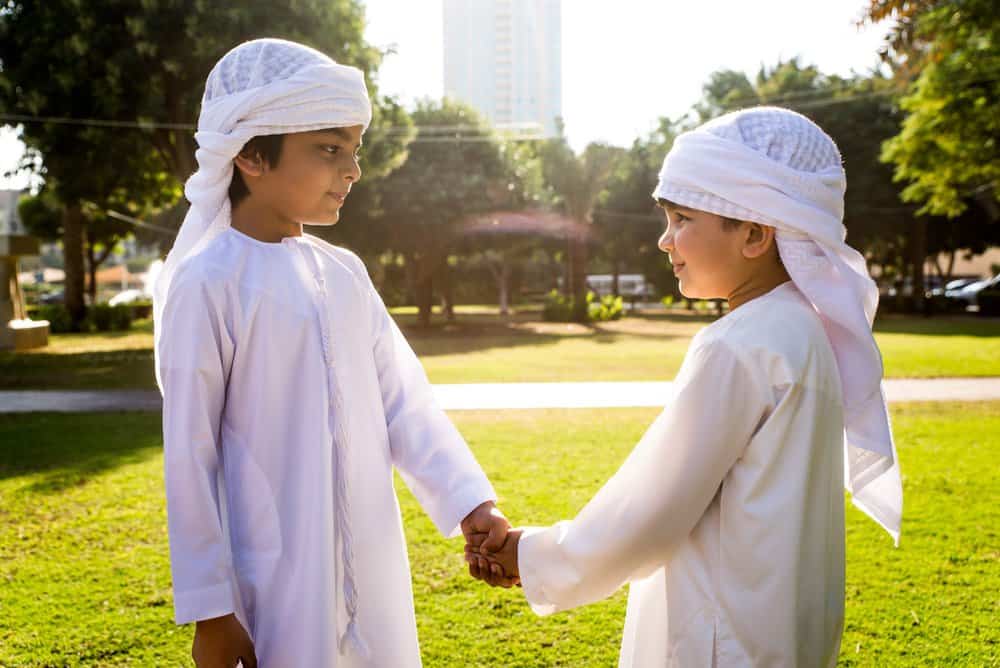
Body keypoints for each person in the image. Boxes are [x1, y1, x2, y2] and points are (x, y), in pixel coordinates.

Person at [467, 106, 902, 667]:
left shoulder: (739, 346)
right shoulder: (804, 329)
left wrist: (530, 556)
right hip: (782, 638)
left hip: (723, 643)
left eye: (681, 220)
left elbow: (648, 514)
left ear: (752, 234)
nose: (663, 241)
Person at [154, 38, 510, 667]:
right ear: (251, 157)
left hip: (372, 573)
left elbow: (405, 405)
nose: (352, 170)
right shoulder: (207, 281)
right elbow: (190, 457)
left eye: (353, 152)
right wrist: (213, 611)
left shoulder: (344, 273)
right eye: (329, 150)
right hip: (272, 581)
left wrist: (472, 504)